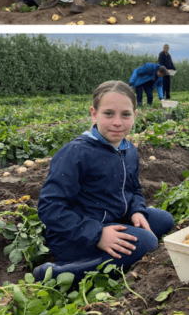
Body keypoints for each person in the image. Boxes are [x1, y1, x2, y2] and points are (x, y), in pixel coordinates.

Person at [34, 81, 175, 285]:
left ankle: (115, 240)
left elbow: (134, 189)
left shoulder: (129, 150)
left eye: (125, 114)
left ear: (135, 116)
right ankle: (59, 273)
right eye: (108, 113)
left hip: (113, 219)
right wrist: (98, 234)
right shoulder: (76, 153)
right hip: (74, 236)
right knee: (147, 242)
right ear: (94, 114)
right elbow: (49, 208)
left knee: (164, 220)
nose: (117, 122)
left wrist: (136, 211)